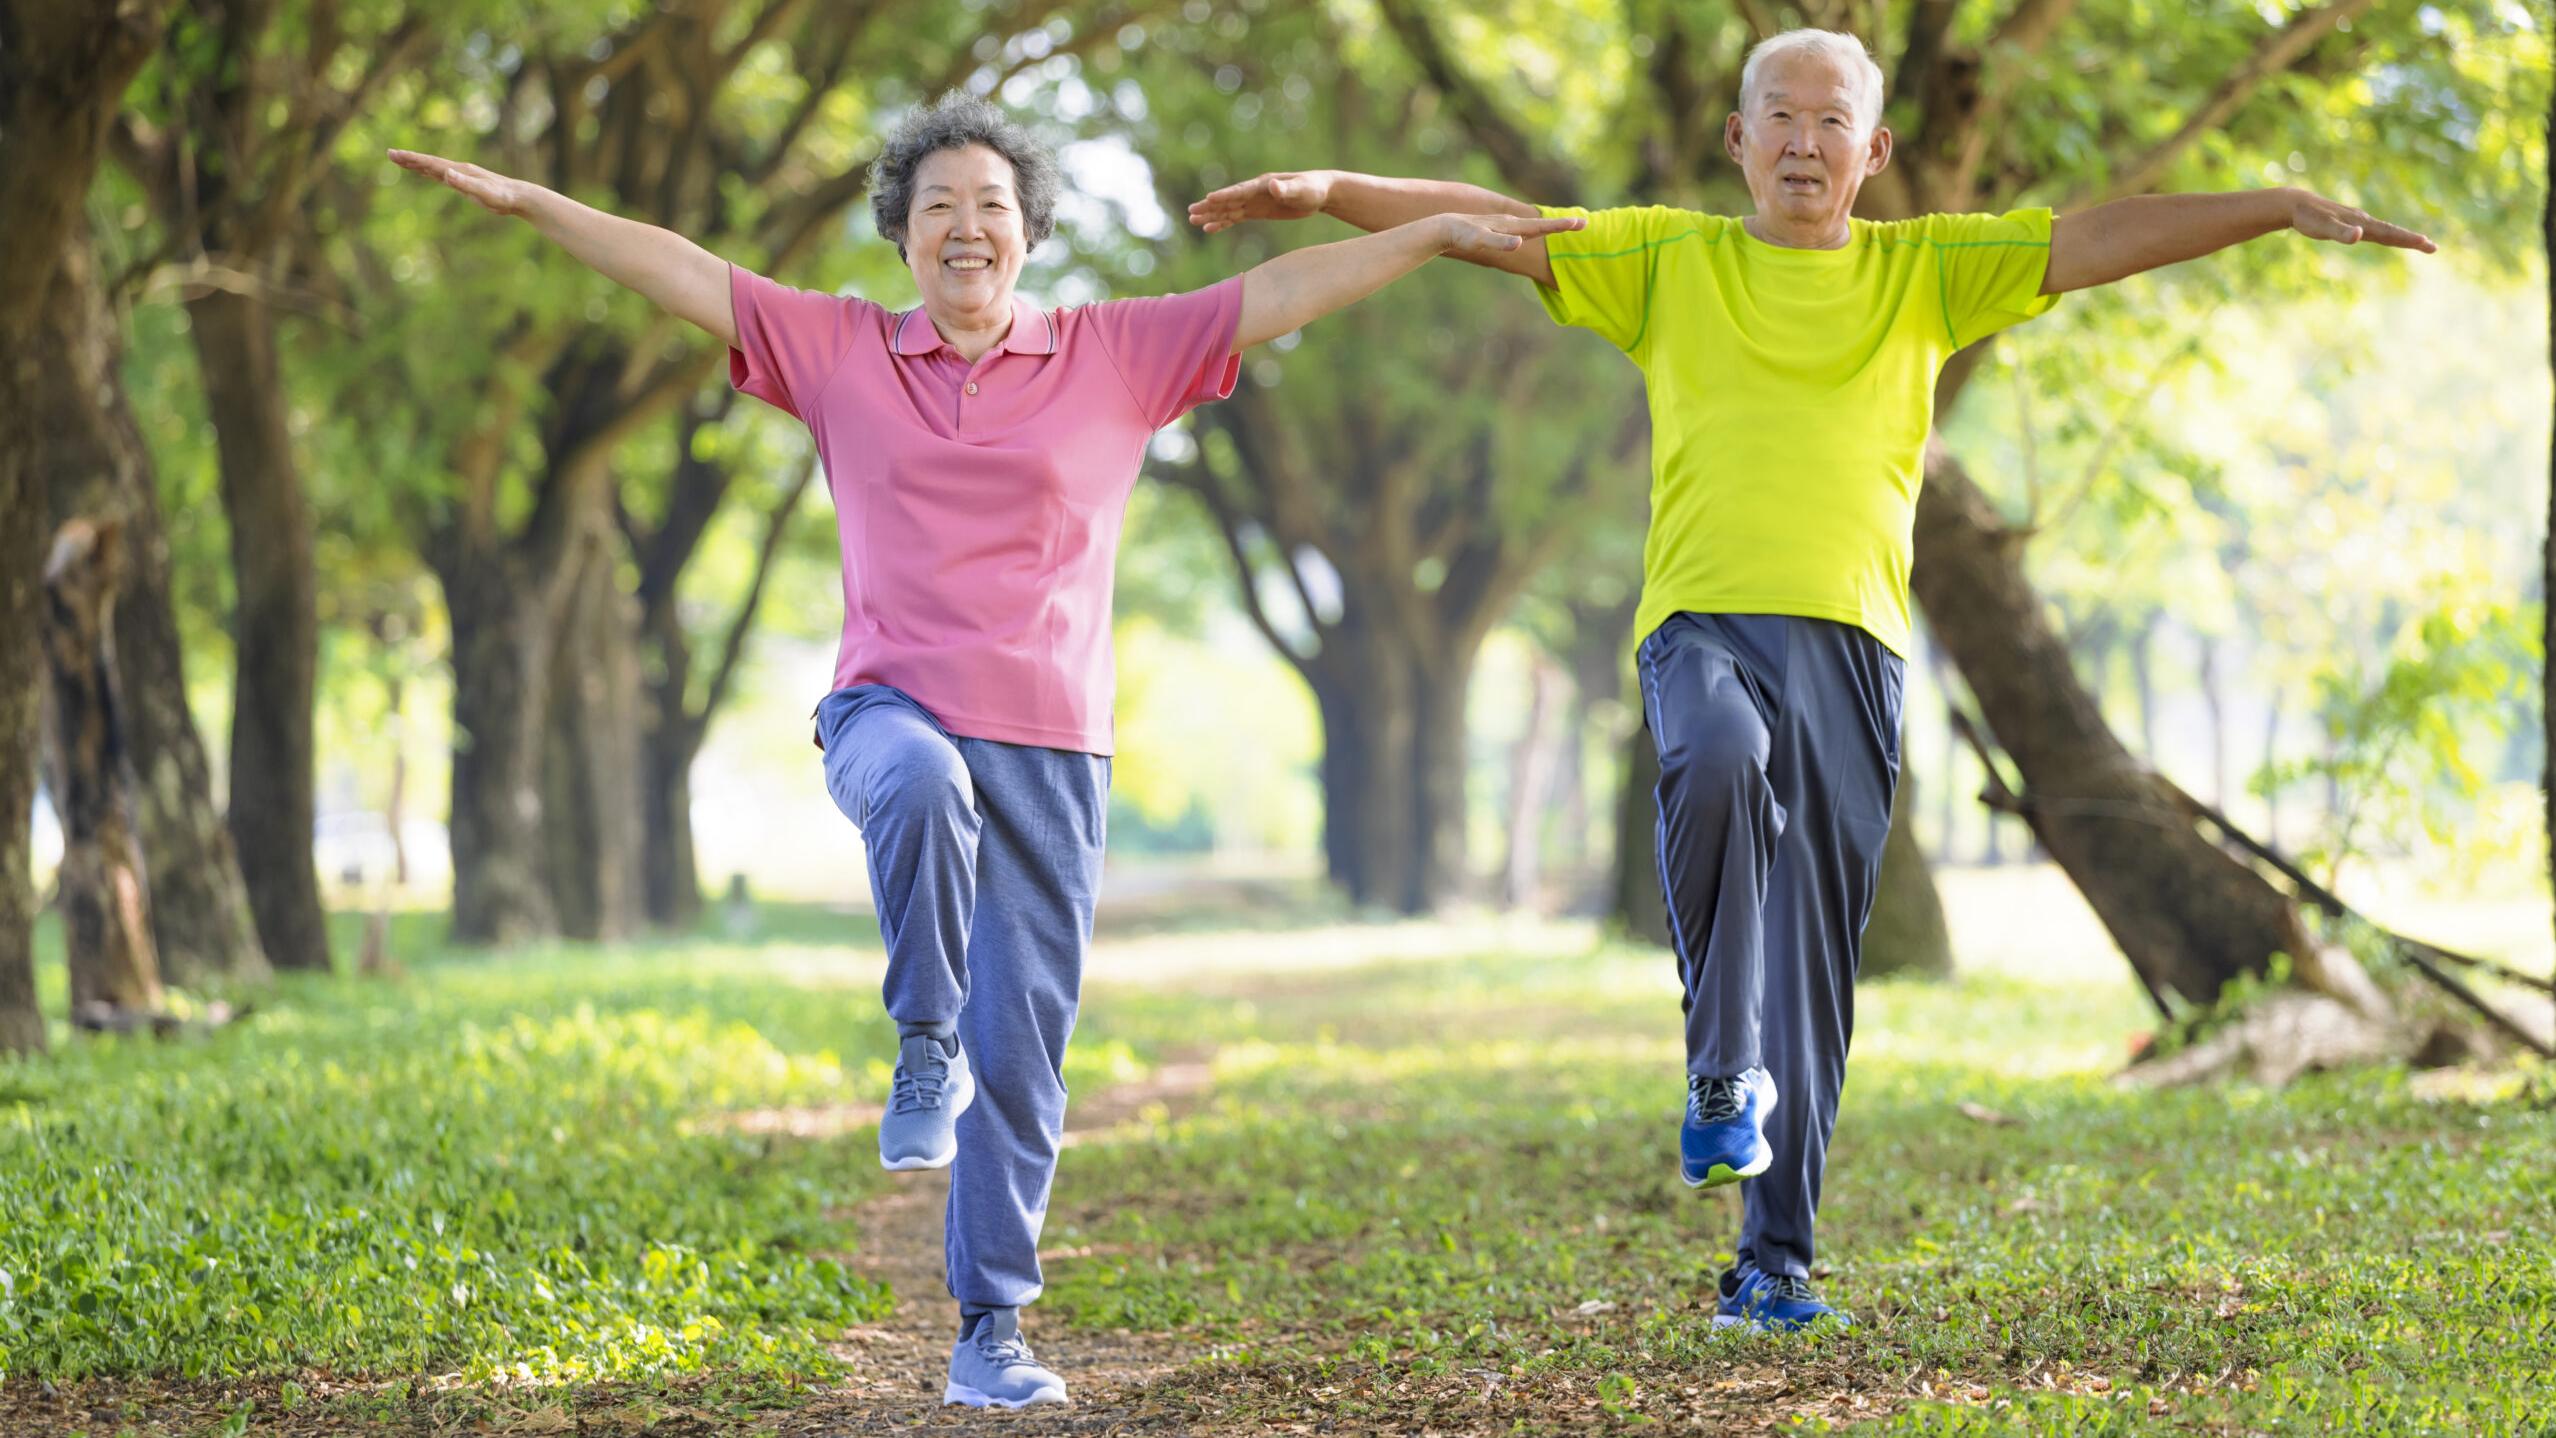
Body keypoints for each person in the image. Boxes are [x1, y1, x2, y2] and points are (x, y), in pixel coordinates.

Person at [1190, 27, 2432, 1332]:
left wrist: (2276, 210)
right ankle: (1719, 1062)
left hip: (1854, 650)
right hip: (1703, 628)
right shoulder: (1668, 258)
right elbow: (1487, 224)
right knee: (1715, 759)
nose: (1801, 140)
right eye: (1776, 116)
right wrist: (1331, 192)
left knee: (1820, 968)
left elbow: (2095, 237)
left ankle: (1775, 1259)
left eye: (1830, 120)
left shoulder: (1927, 272)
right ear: (1736, 139)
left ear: (1875, 150)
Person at [392, 92, 1579, 1407]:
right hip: (888, 709)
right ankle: (919, 1037)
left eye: (993, 208)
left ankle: (989, 1329)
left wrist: (1428, 236)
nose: (967, 227)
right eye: (939, 206)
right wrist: (531, 204)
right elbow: (677, 264)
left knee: (1024, 1059)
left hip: (1057, 751)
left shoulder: (1115, 355)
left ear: (1029, 235)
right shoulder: (840, 351)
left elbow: (1282, 285)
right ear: (901, 233)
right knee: (921, 786)